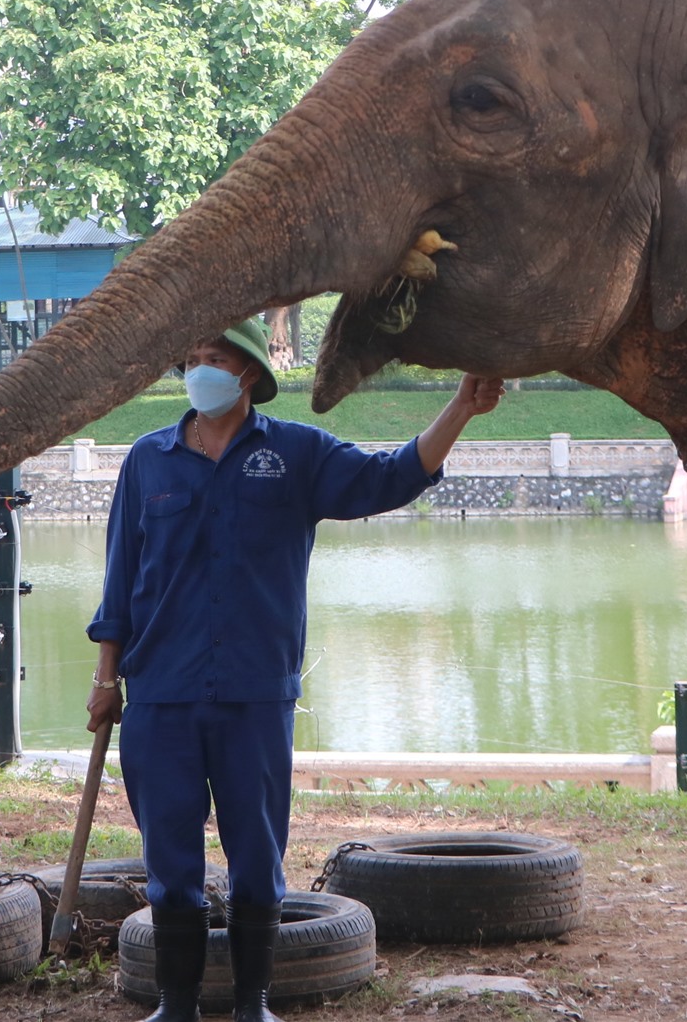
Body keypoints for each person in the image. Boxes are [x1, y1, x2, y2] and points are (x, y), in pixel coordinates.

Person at [86, 319, 503, 1022]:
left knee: (257, 855)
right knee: (170, 861)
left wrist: (460, 407)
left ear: (247, 372)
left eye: (212, 359)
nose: (198, 371)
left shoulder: (295, 455)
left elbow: (391, 477)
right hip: (161, 697)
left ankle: (254, 1005)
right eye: (191, 360)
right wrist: (107, 680)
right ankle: (176, 1005)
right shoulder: (147, 461)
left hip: (254, 696)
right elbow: (119, 584)